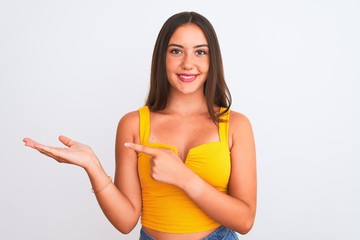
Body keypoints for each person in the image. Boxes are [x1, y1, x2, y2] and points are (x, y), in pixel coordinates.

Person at [23, 11, 257, 240]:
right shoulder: (132, 124)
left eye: (200, 52)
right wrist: (92, 166)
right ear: (161, 57)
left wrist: (184, 177)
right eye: (176, 51)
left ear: (212, 59)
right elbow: (126, 222)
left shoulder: (236, 125)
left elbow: (245, 221)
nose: (188, 63)